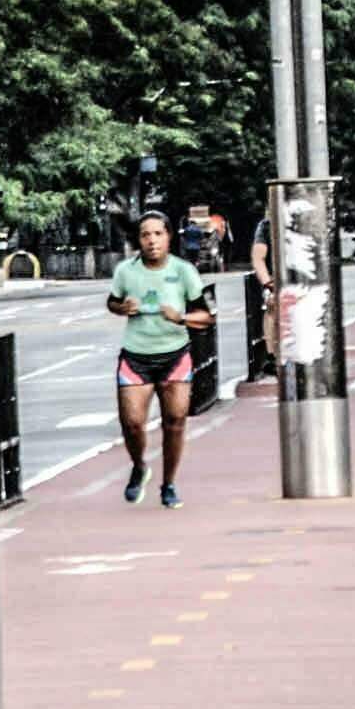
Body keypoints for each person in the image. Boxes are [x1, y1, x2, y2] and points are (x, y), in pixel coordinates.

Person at [106, 215, 214, 507]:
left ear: (169, 237)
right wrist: (122, 308)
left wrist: (181, 317)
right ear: (139, 240)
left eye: (157, 234)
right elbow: (112, 301)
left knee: (175, 422)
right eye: (145, 235)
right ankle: (139, 466)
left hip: (174, 355)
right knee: (132, 423)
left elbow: (207, 316)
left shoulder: (184, 271)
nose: (152, 241)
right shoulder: (126, 271)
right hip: (136, 356)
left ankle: (168, 484)